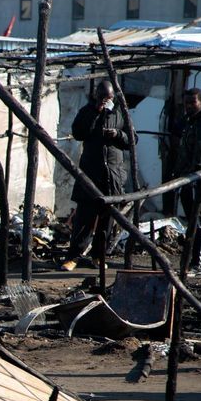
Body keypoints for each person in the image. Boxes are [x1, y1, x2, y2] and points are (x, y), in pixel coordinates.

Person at [60, 80, 134, 271]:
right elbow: (78, 133)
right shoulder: (87, 111)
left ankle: (98, 256)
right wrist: (96, 114)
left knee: (107, 220)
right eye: (102, 97)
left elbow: (132, 140)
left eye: (108, 98)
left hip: (113, 173)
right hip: (91, 173)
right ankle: (74, 257)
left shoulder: (119, 114)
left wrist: (117, 134)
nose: (105, 101)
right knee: (84, 217)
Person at [173, 87, 201, 270]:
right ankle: (197, 259)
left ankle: (200, 261)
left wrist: (196, 177)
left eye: (192, 103)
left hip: (197, 179)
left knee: (199, 220)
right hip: (187, 177)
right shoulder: (190, 121)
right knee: (193, 220)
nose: (188, 106)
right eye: (186, 103)